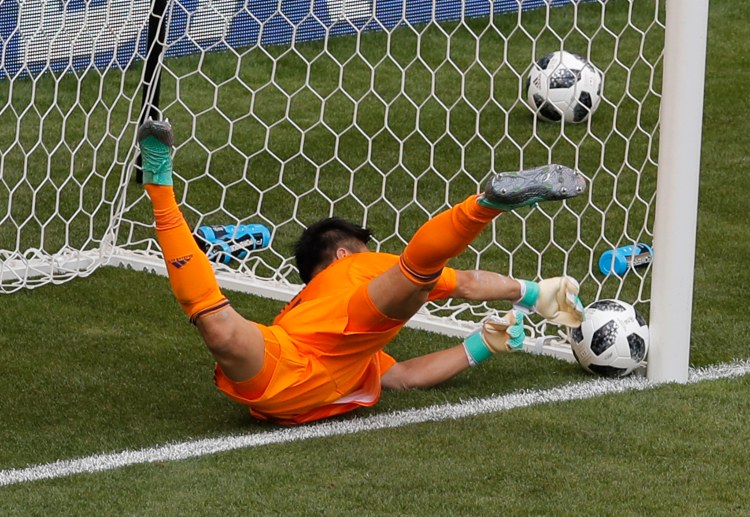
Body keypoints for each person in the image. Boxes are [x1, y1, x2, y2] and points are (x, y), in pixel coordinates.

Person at [138, 119, 585, 426]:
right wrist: (531, 292)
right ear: (341, 256)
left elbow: (404, 377)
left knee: (218, 325)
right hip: (297, 355)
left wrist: (482, 345)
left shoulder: (348, 345)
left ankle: (159, 183)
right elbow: (464, 282)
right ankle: (484, 205)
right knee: (419, 268)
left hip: (278, 368)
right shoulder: (355, 269)